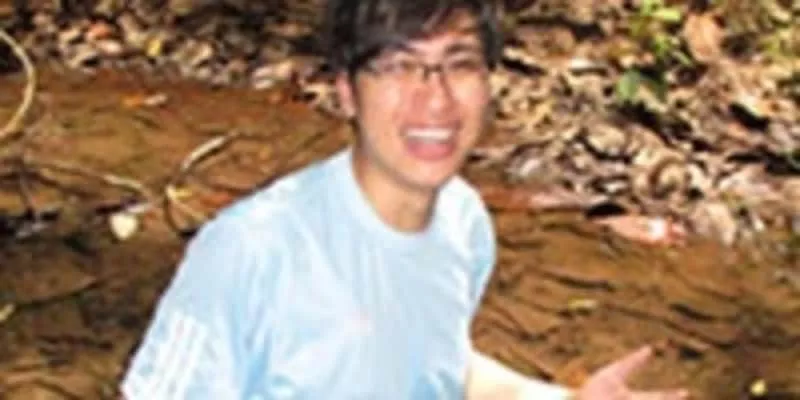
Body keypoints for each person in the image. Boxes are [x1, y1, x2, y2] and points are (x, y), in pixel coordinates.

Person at [120, 0, 691, 398]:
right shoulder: (249, 249)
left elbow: (436, 367)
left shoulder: (464, 222)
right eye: (398, 67)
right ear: (347, 92)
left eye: (458, 65)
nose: (434, 99)